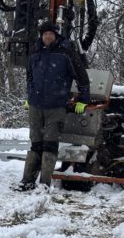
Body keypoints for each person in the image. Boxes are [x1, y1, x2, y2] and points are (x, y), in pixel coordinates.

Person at [16, 20, 90, 191]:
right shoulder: (34, 53)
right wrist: (30, 96)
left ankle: (44, 183)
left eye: (50, 34)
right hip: (36, 106)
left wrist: (83, 100)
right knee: (35, 143)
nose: (47, 37)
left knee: (50, 144)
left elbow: (82, 77)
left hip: (56, 106)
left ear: (55, 35)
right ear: (41, 36)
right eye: (45, 34)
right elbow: (29, 77)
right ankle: (27, 181)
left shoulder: (66, 54)